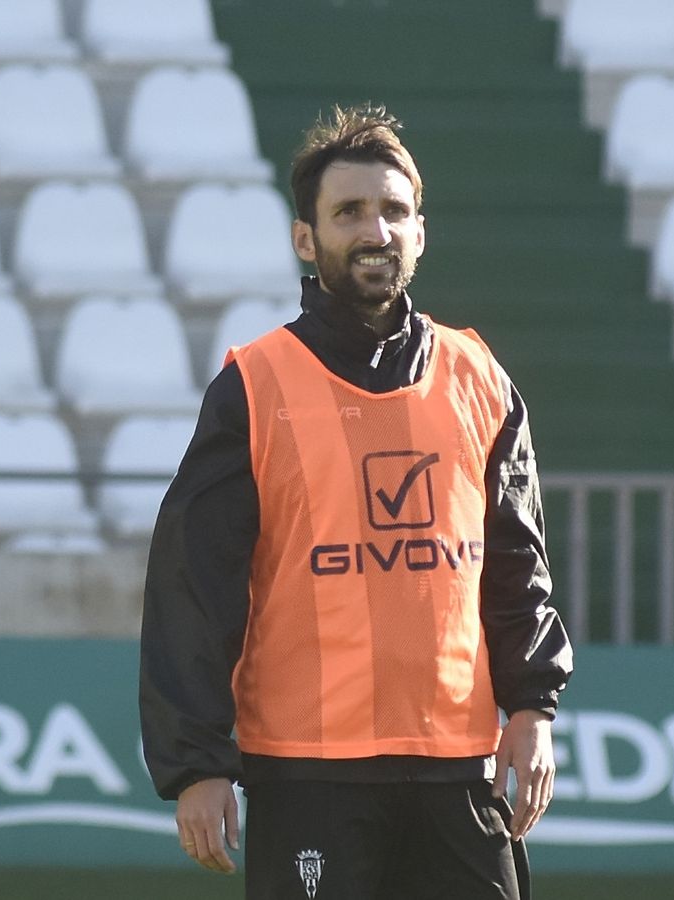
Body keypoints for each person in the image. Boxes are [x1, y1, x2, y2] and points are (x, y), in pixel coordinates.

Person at [138, 105, 572, 899]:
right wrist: (196, 764)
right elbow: (191, 587)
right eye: (349, 212)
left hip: (457, 764)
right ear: (307, 239)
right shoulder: (254, 385)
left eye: (394, 211)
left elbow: (517, 561)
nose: (376, 230)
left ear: (420, 232)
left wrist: (532, 706)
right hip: (310, 775)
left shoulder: (479, 375)